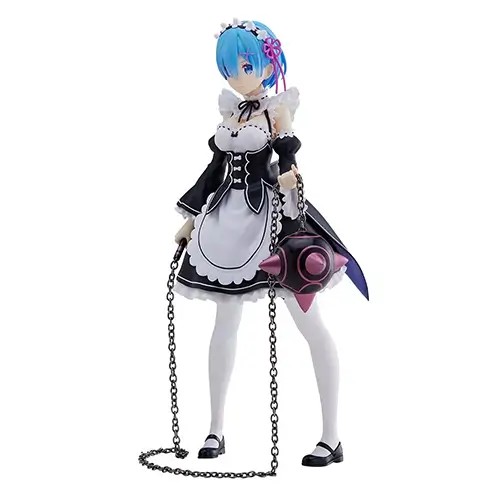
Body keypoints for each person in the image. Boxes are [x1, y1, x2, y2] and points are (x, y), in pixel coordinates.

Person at [172, 19, 369, 467]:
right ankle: (215, 428)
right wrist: (192, 219)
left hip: (272, 222)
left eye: (245, 66)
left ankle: (332, 435)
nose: (237, 77)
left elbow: (289, 163)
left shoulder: (277, 112)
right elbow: (214, 172)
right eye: (229, 69)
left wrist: (287, 182)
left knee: (309, 322)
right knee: (224, 321)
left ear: (267, 63)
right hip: (226, 224)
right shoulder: (231, 114)